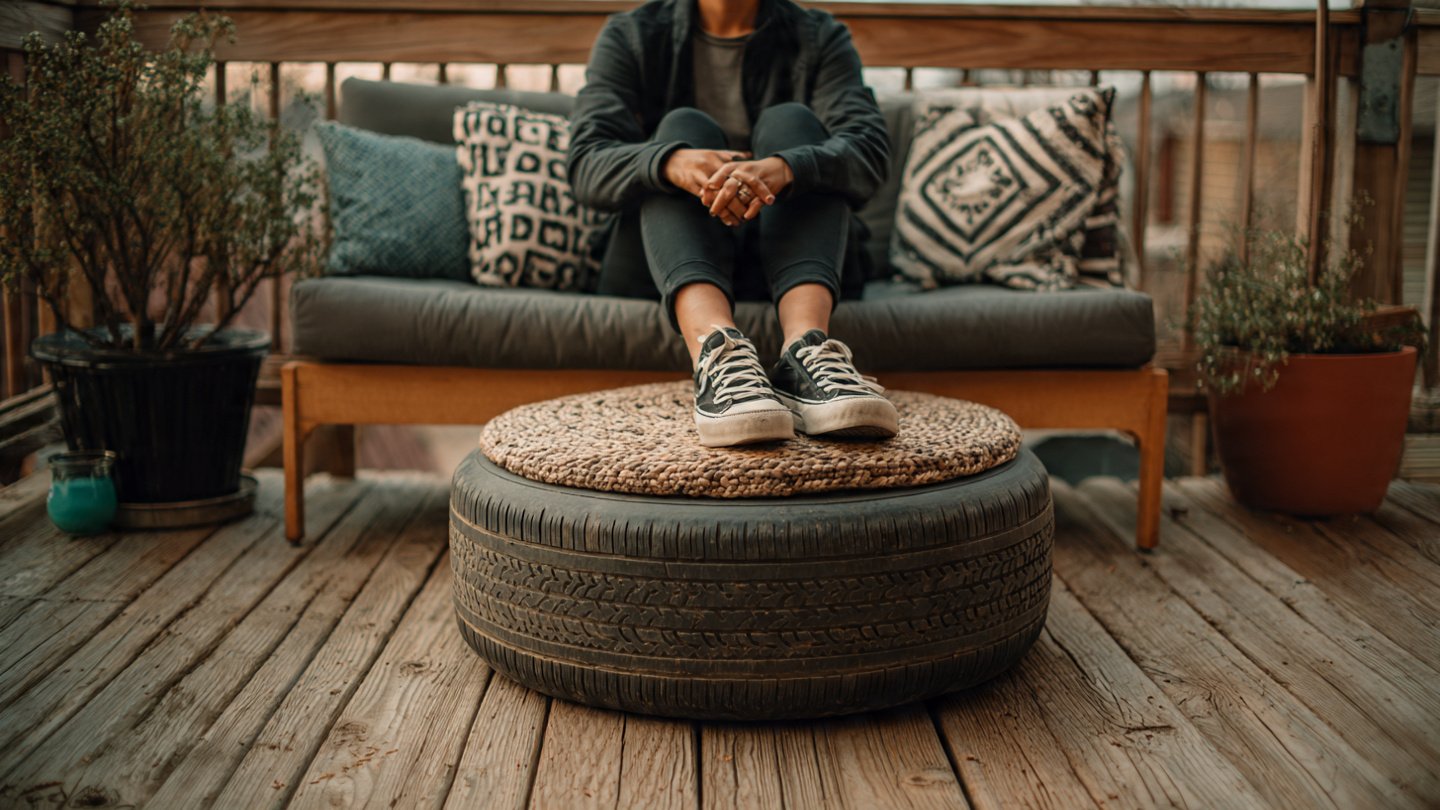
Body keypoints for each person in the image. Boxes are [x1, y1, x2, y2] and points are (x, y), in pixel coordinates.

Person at [567, 0, 900, 447]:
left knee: (793, 123)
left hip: (790, 259)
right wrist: (669, 162)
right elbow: (586, 163)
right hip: (667, 261)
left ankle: (806, 352)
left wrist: (785, 168)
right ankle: (715, 349)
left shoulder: (818, 36)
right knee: (680, 127)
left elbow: (869, 152)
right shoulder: (633, 35)